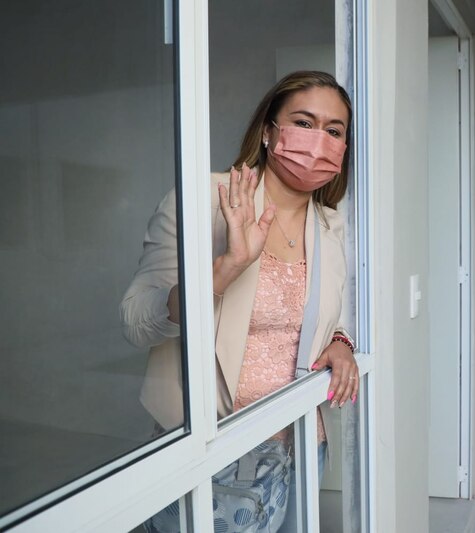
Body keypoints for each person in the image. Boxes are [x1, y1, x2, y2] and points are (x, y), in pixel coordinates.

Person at [120, 71, 359, 532]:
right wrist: (226, 267)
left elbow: (331, 311)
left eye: (334, 131)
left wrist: (341, 340)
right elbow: (135, 321)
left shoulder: (333, 225)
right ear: (269, 132)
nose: (318, 141)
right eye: (303, 122)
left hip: (302, 443)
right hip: (210, 449)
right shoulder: (201, 202)